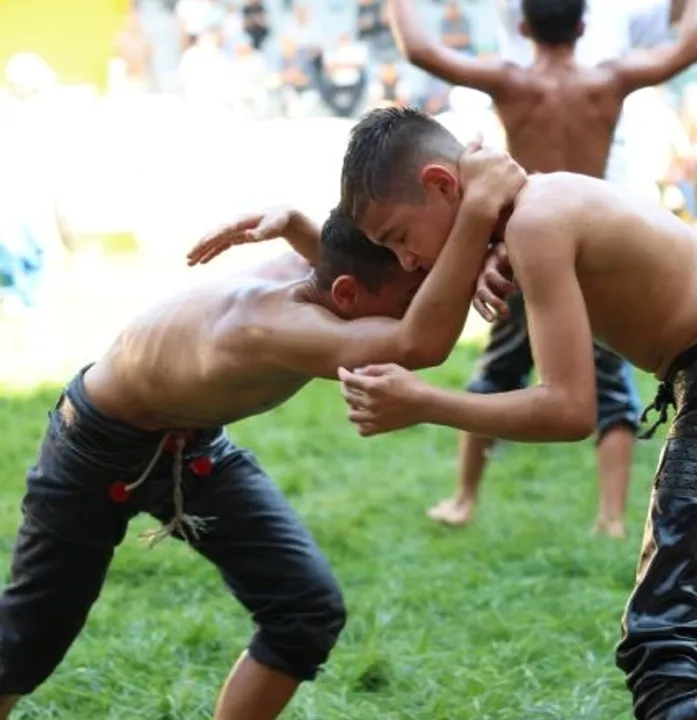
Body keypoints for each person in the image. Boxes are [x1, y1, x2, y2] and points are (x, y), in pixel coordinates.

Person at [334, 107, 697, 720]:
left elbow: (569, 409)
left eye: (398, 237)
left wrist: (424, 402)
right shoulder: (541, 206)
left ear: (442, 184)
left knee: (671, 649)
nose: (406, 260)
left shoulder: (536, 222)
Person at [0, 148, 524, 720]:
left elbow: (367, 268)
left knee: (305, 610)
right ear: (348, 295)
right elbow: (418, 343)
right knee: (25, 643)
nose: (418, 307)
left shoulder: (326, 273)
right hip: (94, 449)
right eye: (408, 300)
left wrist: (480, 251)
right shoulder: (271, 323)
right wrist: (478, 210)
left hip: (190, 445)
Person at [384, 0, 697, 536]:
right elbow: (692, 45)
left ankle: (463, 499)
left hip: (522, 247)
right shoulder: (608, 80)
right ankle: (611, 517)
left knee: (496, 373)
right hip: (589, 250)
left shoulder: (511, 82)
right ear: (583, 26)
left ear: (521, 27)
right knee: (610, 386)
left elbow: (420, 49)